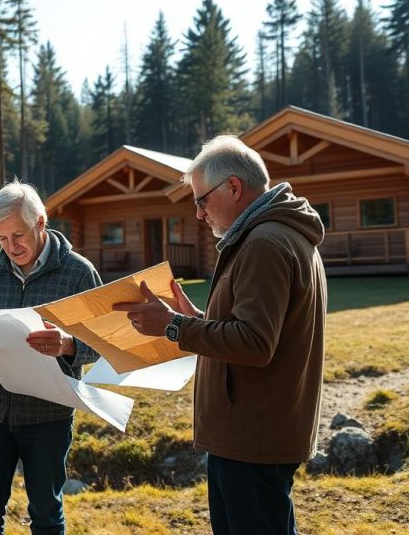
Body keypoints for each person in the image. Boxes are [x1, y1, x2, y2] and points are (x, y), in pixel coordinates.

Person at [115, 135, 326, 535]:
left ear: (233, 187)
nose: (198, 213)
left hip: (253, 434)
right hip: (254, 429)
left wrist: (173, 326)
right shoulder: (275, 235)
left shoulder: (265, 242)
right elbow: (256, 327)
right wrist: (196, 316)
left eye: (201, 200)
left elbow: (255, 342)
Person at [0, 179, 102, 535]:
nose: (11, 247)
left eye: (18, 235)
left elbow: (101, 343)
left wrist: (68, 345)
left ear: (40, 221)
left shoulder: (78, 273)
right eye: (1, 238)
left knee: (45, 515)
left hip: (48, 416)